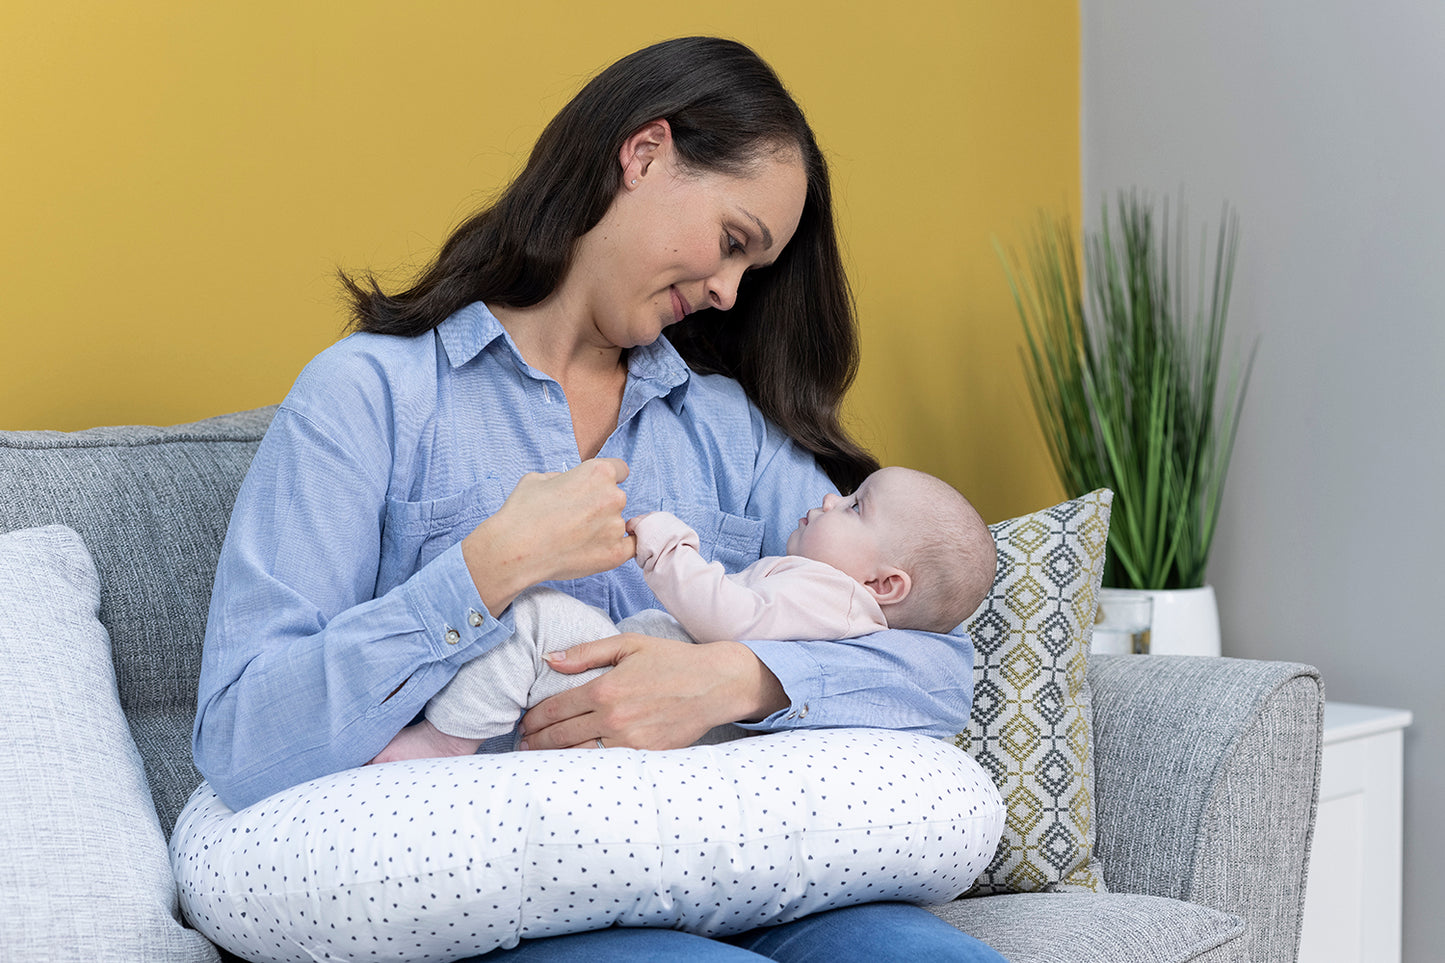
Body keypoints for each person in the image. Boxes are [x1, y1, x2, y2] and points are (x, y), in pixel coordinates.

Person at [193, 35, 1005, 962]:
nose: (730, 293)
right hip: (502, 895)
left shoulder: (725, 427)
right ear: (644, 152)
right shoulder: (371, 397)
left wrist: (733, 678)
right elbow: (240, 736)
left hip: (720, 871)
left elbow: (936, 670)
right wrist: (482, 572)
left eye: (754, 269)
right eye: (731, 242)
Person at [372, 466, 998, 763]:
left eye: (855, 506)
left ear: (886, 584)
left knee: (533, 619)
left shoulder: (831, 593)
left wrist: (671, 547)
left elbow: (730, 618)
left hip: (639, 707)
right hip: (624, 711)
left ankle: (441, 742)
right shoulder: (836, 599)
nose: (830, 498)